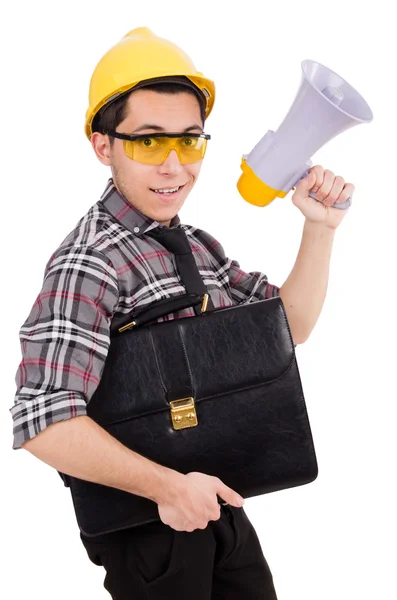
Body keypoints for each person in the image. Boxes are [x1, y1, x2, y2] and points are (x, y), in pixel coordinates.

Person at [10, 27, 355, 600]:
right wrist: (167, 489)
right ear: (103, 145)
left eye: (190, 141)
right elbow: (43, 422)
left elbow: (287, 328)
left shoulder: (197, 247)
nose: (175, 165)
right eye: (149, 142)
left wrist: (319, 230)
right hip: (150, 530)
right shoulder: (89, 261)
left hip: (217, 503)